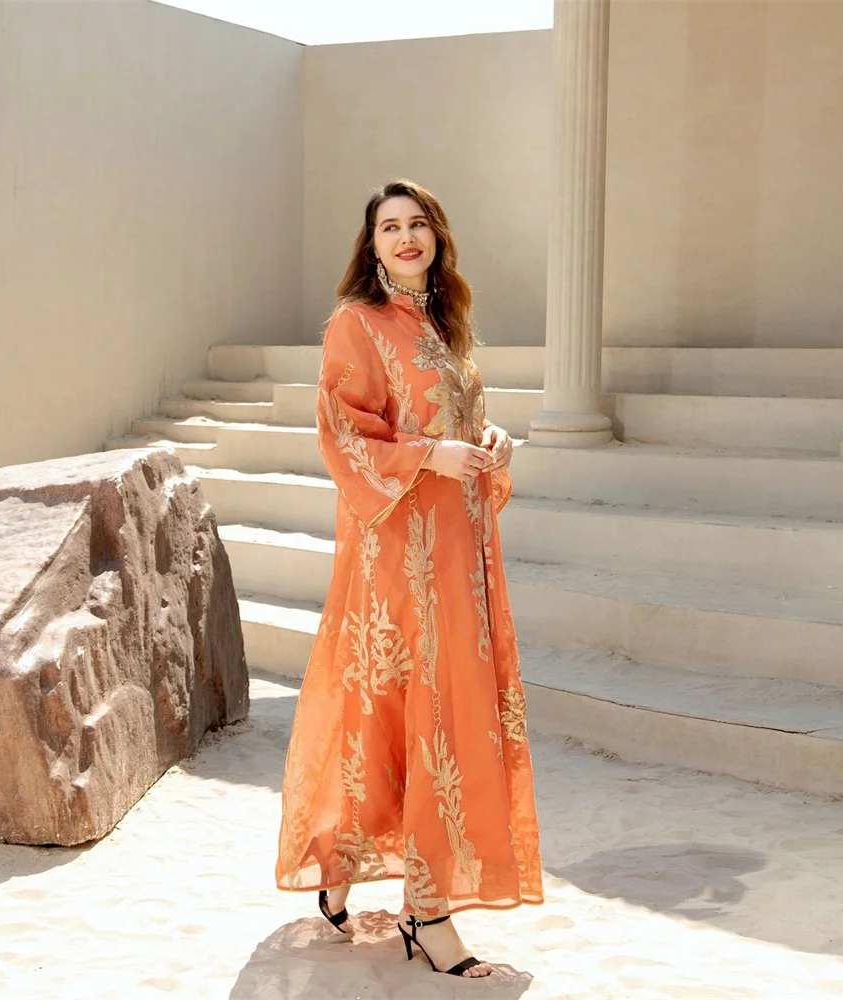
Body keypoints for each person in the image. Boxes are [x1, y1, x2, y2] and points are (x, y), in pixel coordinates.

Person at [275, 179, 543, 978]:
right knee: (411, 707)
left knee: (445, 707)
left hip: (458, 547)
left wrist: (488, 440)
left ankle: (346, 860)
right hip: (399, 550)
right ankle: (427, 912)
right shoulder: (355, 324)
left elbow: (451, 419)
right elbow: (344, 435)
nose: (405, 237)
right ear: (372, 245)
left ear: (436, 236)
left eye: (417, 223)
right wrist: (430, 456)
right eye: (389, 226)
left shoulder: (444, 324)